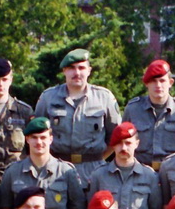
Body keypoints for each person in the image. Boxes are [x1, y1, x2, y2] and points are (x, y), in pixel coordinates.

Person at [34, 48, 121, 185]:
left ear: (89, 70)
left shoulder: (104, 98)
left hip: (94, 172)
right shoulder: (48, 98)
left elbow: (116, 137)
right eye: (71, 68)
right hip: (56, 171)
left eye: (81, 68)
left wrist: (96, 158)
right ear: (64, 71)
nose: (77, 73)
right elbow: (36, 134)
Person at [0, 117, 86, 209]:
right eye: (34, 138)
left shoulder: (66, 171)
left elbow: (78, 207)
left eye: (43, 137)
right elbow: (4, 207)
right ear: (27, 139)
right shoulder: (13, 172)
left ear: (51, 139)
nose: (39, 142)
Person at [87, 122, 162, 209]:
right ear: (113, 145)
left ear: (136, 143)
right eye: (119, 143)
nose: (123, 148)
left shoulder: (150, 176)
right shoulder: (99, 175)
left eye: (128, 143)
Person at [122, 59, 175, 172]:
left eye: (162, 81)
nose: (158, 85)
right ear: (146, 83)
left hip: (173, 171)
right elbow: (122, 142)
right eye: (153, 81)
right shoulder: (133, 109)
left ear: (170, 83)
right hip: (140, 172)